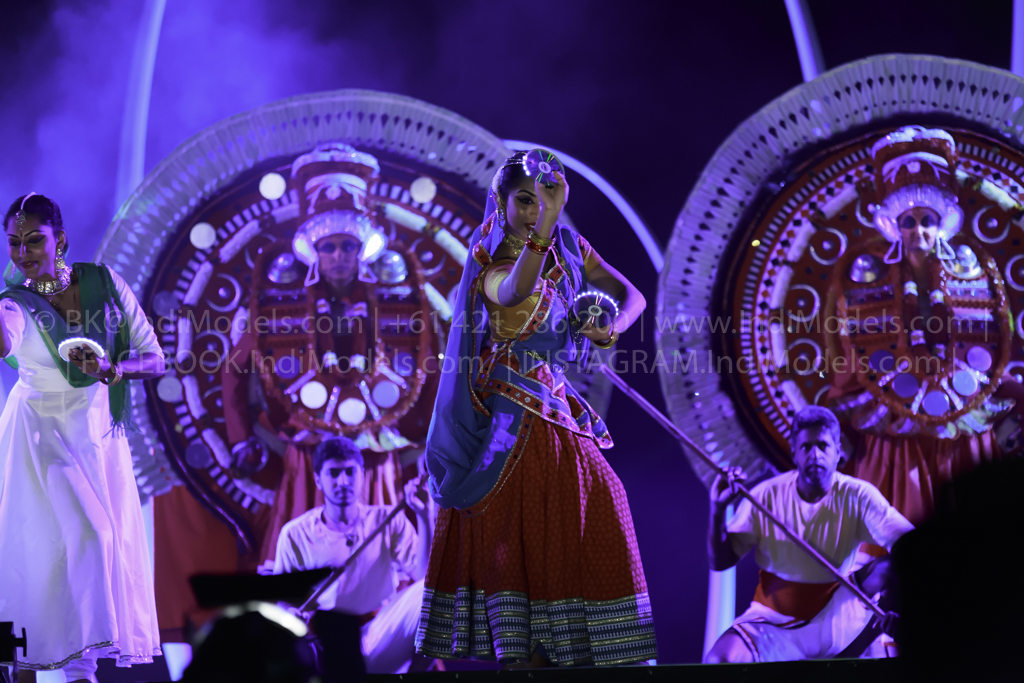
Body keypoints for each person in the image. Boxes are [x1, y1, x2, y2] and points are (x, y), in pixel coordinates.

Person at [417, 151, 657, 667]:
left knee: (599, 507)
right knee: (520, 547)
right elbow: (514, 290)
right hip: (509, 419)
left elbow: (633, 295)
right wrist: (547, 222)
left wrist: (610, 328)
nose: (533, 211)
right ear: (500, 201)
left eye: (542, 200)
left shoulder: (568, 246)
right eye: (524, 201)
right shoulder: (490, 250)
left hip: (555, 408)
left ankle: (574, 648)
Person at [0, 194, 165, 682]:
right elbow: (5, 341)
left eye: (34, 240)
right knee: (92, 537)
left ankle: (67, 669)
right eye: (14, 243)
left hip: (96, 434)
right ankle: (73, 668)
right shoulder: (14, 303)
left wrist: (115, 370)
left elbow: (155, 358)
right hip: (39, 432)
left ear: (60, 240)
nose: (23, 253)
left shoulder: (104, 284)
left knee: (65, 552)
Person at [827, 125, 1024, 523]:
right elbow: (849, 359)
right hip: (892, 435)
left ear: (942, 223)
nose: (918, 230)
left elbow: (994, 346)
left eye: (927, 220)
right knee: (899, 538)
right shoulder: (864, 276)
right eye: (909, 221)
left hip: (964, 431)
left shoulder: (974, 272)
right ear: (894, 225)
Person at [704, 405, 914, 663]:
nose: (815, 455)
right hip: (772, 620)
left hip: (838, 616)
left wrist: (901, 608)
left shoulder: (858, 495)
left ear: (838, 451)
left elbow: (912, 547)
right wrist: (717, 510)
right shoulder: (765, 495)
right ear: (794, 451)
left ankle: (848, 656)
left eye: (823, 446)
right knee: (718, 662)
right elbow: (720, 562)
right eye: (806, 447)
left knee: (889, 568)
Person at [272, 436, 430, 674]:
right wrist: (290, 616)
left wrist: (424, 517)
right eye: (334, 473)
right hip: (330, 642)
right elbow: (284, 601)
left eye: (350, 472)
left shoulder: (388, 519)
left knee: (436, 593)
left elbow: (425, 576)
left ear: (362, 475)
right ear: (318, 480)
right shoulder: (295, 533)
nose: (343, 482)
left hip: (383, 632)